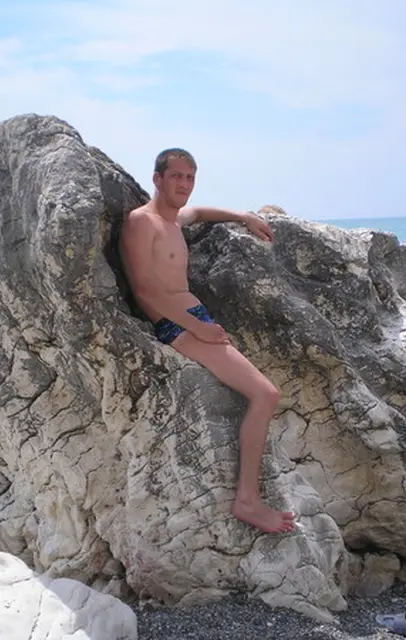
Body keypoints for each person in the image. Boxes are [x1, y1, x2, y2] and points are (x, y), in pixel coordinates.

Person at [119, 148, 295, 534]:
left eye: (190, 178)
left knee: (262, 394)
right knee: (265, 395)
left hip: (194, 321)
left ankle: (249, 496)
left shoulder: (175, 219)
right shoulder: (141, 222)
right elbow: (145, 291)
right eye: (176, 176)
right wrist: (197, 328)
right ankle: (246, 500)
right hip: (177, 326)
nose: (184, 184)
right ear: (157, 179)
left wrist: (244, 217)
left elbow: (200, 213)